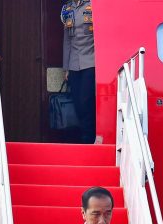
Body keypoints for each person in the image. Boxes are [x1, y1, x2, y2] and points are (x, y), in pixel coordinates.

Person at [60, 0, 95, 144]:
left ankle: (88, 137)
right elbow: (67, 40)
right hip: (74, 63)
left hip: (91, 61)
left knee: (86, 100)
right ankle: (84, 135)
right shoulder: (67, 8)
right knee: (78, 103)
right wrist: (66, 67)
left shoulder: (93, 5)